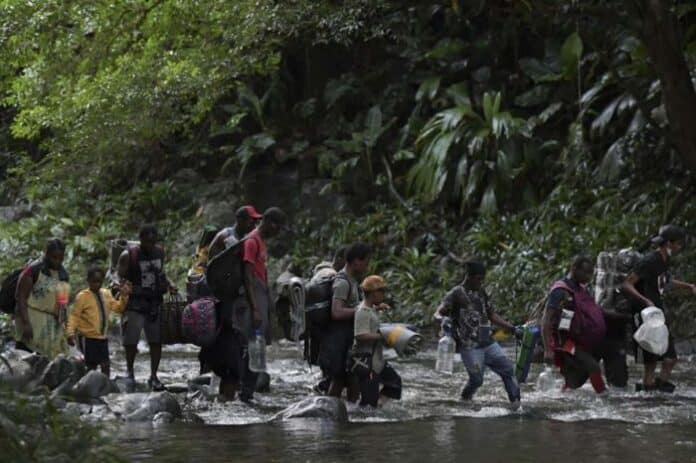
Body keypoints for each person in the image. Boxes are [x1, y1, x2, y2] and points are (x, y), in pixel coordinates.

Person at [435, 261, 521, 409]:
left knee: (508, 370)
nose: (481, 282)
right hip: (469, 346)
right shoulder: (456, 293)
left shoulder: (481, 292)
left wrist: (512, 329)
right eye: (479, 279)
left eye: (482, 279)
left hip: (488, 342)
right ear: (469, 277)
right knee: (477, 380)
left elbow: (491, 315)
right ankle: (464, 400)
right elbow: (438, 313)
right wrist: (444, 322)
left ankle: (516, 405)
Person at [622, 225, 696, 392]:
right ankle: (649, 392)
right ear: (669, 243)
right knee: (651, 361)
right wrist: (646, 301)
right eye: (678, 244)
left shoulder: (664, 260)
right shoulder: (649, 261)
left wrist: (689, 286)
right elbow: (627, 284)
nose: (679, 247)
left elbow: (665, 280)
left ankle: (659, 389)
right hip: (645, 315)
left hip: (658, 314)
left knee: (670, 358)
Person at [232, 207, 288, 402]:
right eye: (278, 227)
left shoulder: (261, 242)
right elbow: (247, 276)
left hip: (261, 295)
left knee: (258, 345)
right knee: (251, 345)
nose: (278, 232)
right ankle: (244, 392)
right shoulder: (251, 241)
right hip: (252, 300)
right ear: (270, 222)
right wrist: (255, 309)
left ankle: (248, 392)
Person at [115, 224, 178, 392]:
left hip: (155, 302)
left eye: (153, 241)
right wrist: (121, 287)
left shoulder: (160, 252)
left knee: (156, 341)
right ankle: (130, 372)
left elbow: (161, 273)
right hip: (135, 303)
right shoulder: (129, 255)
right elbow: (117, 276)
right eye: (148, 241)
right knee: (131, 341)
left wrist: (170, 284)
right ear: (141, 239)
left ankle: (154, 376)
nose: (151, 244)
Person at [542, 256, 607, 394]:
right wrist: (548, 350)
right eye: (586, 272)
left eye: (591, 273)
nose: (589, 277)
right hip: (563, 342)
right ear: (574, 269)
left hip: (579, 339)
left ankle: (564, 393)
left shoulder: (581, 289)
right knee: (593, 367)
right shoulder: (560, 290)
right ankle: (604, 398)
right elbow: (546, 320)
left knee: (576, 378)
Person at [319, 242, 371, 402]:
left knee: (351, 379)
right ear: (356, 261)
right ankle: (331, 414)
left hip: (346, 340)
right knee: (339, 380)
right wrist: (361, 311)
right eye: (366, 262)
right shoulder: (342, 282)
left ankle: (350, 418)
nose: (367, 266)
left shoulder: (352, 281)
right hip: (337, 341)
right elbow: (336, 312)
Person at [66, 267, 132, 377]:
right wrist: (70, 333)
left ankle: (106, 386)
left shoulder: (106, 294)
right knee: (90, 365)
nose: (97, 284)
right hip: (87, 338)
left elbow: (118, 308)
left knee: (105, 364)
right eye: (94, 281)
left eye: (99, 281)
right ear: (88, 281)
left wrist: (124, 296)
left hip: (102, 338)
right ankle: (87, 386)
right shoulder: (83, 296)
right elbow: (74, 316)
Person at [15, 239, 71, 358]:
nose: (57, 261)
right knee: (26, 357)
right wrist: (25, 323)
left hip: (51, 325)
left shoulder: (63, 275)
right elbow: (21, 297)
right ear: (46, 254)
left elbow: (62, 304)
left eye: (60, 258)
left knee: (51, 361)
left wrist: (66, 330)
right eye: (53, 257)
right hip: (31, 319)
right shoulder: (33, 270)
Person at [351, 275, 402, 407]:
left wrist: (377, 309)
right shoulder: (363, 311)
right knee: (368, 405)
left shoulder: (369, 308)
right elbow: (360, 335)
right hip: (368, 363)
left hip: (377, 361)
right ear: (373, 293)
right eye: (382, 291)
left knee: (395, 383)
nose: (384, 294)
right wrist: (384, 336)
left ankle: (379, 405)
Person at [308, 246, 347, 394]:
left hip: (317, 326)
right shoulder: (332, 276)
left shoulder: (319, 274)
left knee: (327, 369)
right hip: (327, 328)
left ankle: (323, 389)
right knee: (333, 372)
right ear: (339, 259)